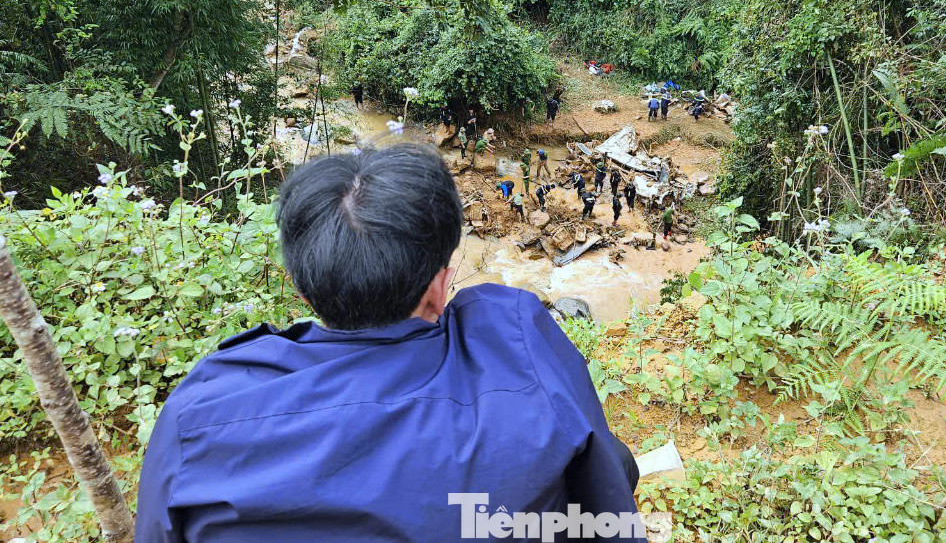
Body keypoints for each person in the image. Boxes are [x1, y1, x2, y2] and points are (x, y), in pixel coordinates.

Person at [135, 146, 641, 542]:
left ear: (301, 288)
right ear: (440, 285)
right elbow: (608, 517)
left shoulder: (200, 412)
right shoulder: (513, 342)